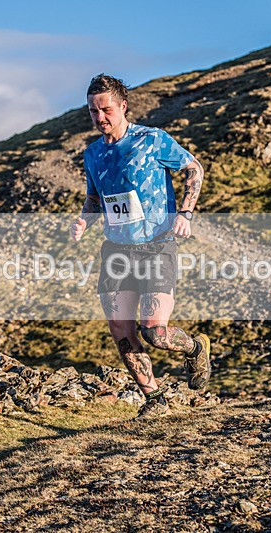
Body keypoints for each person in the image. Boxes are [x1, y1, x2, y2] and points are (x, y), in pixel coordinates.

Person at [70, 74, 211, 420]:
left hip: (156, 245)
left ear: (123, 107)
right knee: (121, 329)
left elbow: (195, 168)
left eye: (106, 110)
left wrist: (186, 213)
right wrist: (84, 220)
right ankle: (155, 399)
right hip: (117, 250)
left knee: (155, 331)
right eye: (93, 112)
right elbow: (94, 197)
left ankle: (195, 348)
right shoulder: (93, 154)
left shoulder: (152, 140)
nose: (100, 118)